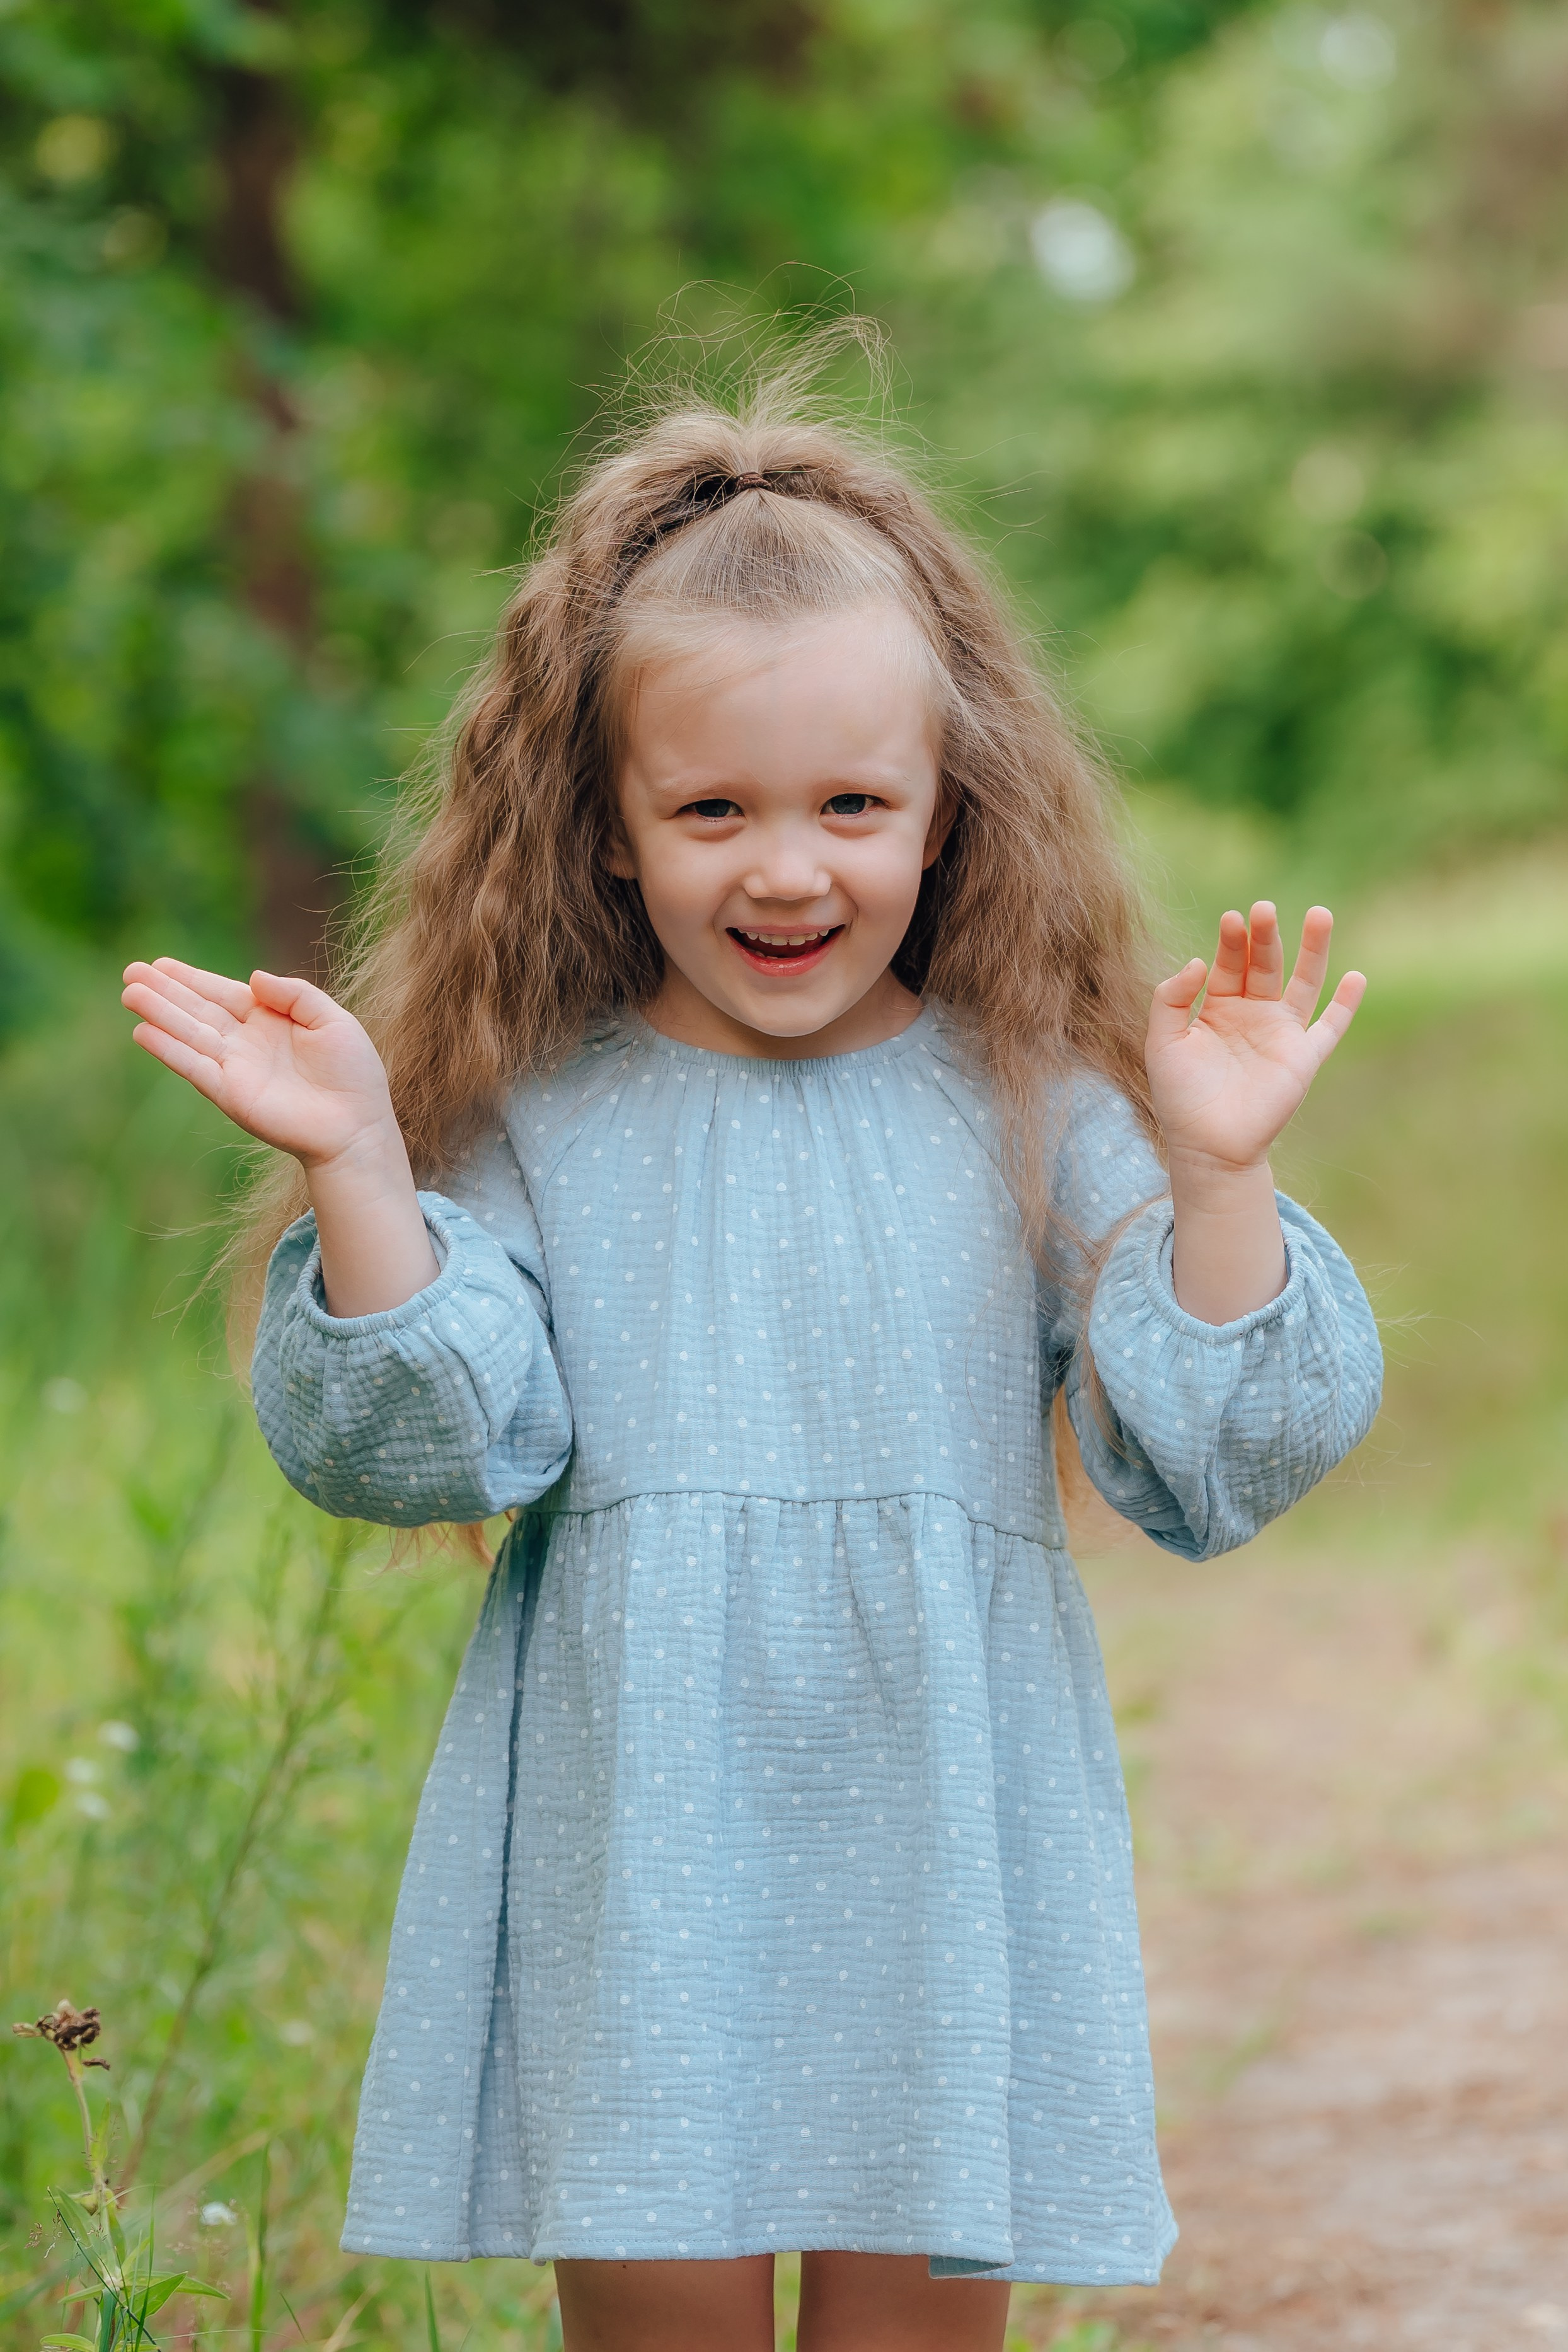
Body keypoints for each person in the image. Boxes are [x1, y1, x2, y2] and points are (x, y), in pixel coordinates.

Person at [121, 372, 1381, 2352]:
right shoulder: (545, 1115)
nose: (785, 869)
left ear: (948, 809)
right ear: (611, 834)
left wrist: (1219, 1176)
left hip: (940, 1825)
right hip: (648, 1837)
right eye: (713, 809)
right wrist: (361, 1164)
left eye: (850, 805)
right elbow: (419, 1442)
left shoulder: (1037, 1103)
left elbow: (1217, 1441)